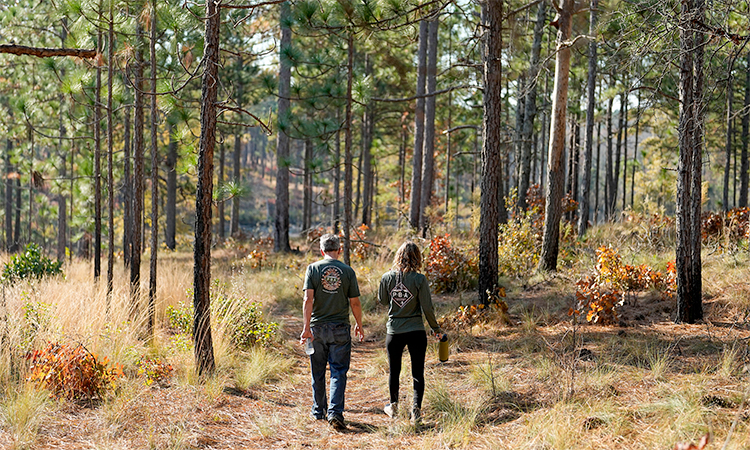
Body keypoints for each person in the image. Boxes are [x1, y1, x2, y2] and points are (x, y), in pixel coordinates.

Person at [300, 234, 364, 431]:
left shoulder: (313, 269)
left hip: (317, 327)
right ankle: (335, 412)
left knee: (317, 371)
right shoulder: (348, 271)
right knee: (338, 371)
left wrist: (306, 328)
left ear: (321, 250)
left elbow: (308, 300)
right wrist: (359, 324)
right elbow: (354, 302)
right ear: (339, 250)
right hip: (340, 328)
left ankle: (319, 410)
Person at [378, 241, 442, 425]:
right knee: (417, 372)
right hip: (416, 330)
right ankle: (416, 411)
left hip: (394, 331)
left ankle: (394, 406)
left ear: (398, 256)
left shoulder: (387, 277)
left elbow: (382, 300)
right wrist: (436, 329)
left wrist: (395, 297)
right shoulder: (419, 279)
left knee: (394, 371)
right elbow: (427, 308)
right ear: (418, 258)